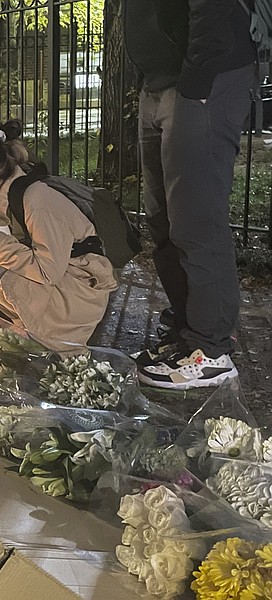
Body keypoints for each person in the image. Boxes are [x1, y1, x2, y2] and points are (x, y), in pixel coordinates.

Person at [124, 0, 255, 389]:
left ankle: (212, 350)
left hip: (200, 82)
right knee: (163, 220)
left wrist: (196, 80)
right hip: (163, 81)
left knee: (196, 220)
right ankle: (188, 336)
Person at [0, 125, 118, 350]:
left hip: (80, 287)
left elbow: (47, 271)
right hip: (59, 277)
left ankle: (56, 335)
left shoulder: (36, 199)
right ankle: (25, 322)